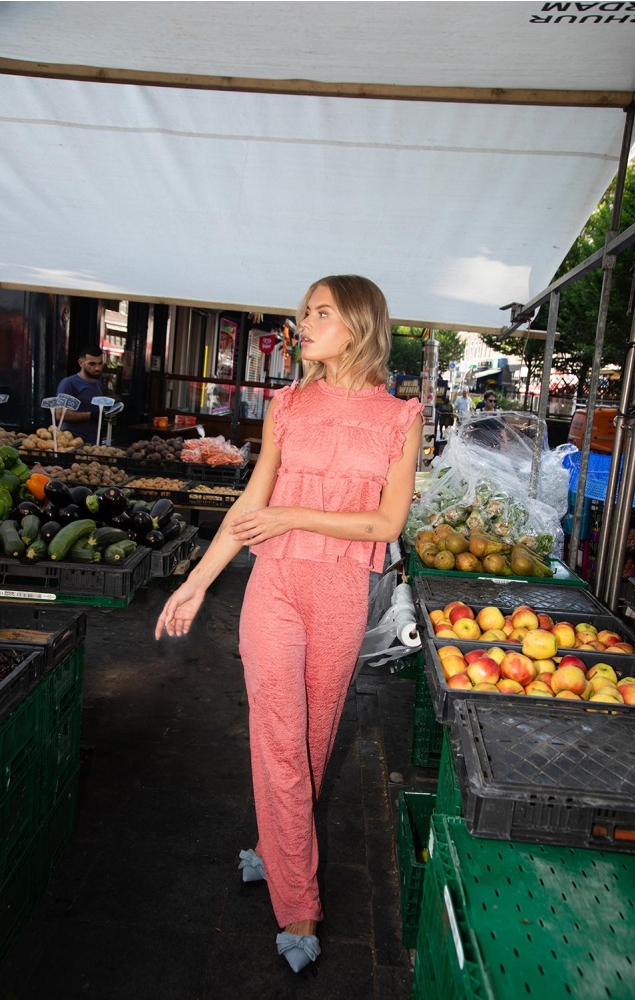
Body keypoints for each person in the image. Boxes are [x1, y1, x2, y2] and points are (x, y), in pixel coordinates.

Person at [155, 275, 422, 973]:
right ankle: (298, 902)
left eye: (320, 312)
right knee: (279, 738)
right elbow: (253, 501)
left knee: (313, 737)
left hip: (339, 592)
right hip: (273, 586)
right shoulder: (287, 405)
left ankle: (275, 851)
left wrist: (292, 515)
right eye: (304, 312)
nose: (303, 323)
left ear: (358, 325)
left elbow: (387, 523)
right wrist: (196, 580)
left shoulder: (401, 417)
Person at [55, 345, 104, 443]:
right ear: (81, 363)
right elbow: (59, 414)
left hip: (93, 442)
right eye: (92, 364)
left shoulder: (98, 384)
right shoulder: (69, 383)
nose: (97, 368)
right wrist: (91, 415)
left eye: (100, 363)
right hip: (71, 442)